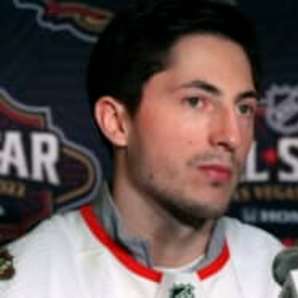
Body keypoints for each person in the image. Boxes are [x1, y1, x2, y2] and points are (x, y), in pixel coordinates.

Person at [0, 0, 283, 297]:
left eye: (244, 109)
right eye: (196, 102)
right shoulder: (26, 281)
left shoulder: (280, 277)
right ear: (117, 123)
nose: (231, 136)